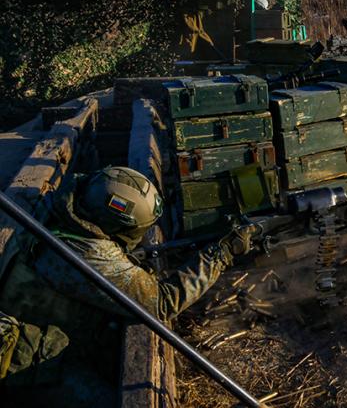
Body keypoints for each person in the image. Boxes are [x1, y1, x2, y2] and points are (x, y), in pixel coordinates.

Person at [0, 166, 253, 406]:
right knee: (113, 400)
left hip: (44, 325)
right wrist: (221, 254)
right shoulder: (89, 253)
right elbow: (162, 303)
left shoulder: (68, 205)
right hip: (32, 359)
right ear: (119, 225)